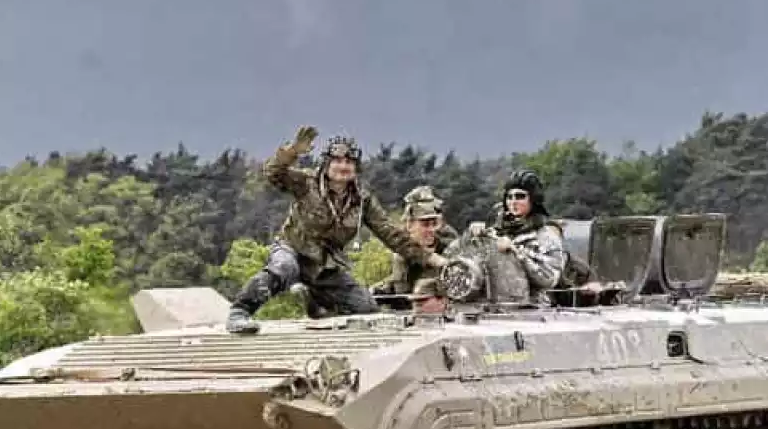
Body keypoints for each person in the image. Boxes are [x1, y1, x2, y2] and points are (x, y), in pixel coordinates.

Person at [226, 126, 447, 333]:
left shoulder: (362, 200)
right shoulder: (307, 182)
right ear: (327, 164)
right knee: (283, 268)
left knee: (366, 307)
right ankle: (240, 311)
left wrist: (429, 258)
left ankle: (317, 302)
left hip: (324, 265)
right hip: (293, 248)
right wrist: (292, 152)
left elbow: (390, 234)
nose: (343, 166)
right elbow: (272, 172)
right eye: (338, 161)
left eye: (349, 162)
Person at [469, 169, 566, 302]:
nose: (513, 202)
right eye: (509, 197)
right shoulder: (494, 230)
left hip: (532, 308)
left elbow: (549, 279)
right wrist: (475, 237)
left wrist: (515, 252)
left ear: (533, 199)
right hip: (489, 303)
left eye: (520, 196)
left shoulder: (546, 237)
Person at [370, 185, 457, 298]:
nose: (431, 230)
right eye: (425, 225)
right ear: (410, 225)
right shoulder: (401, 251)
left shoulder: (447, 245)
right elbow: (399, 284)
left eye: (434, 224)